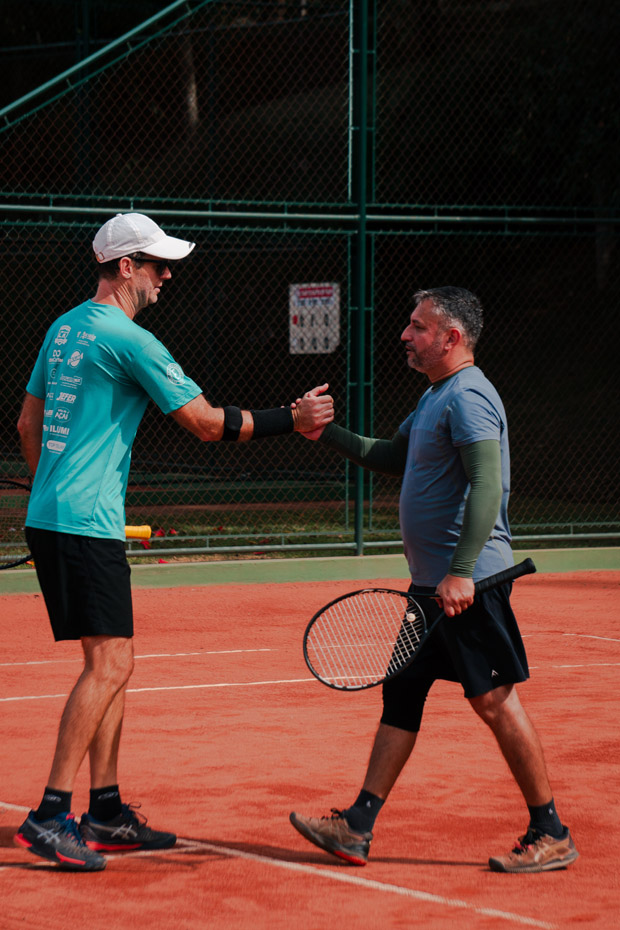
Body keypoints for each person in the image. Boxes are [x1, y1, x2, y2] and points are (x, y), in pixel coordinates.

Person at [15, 212, 333, 872]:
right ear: (125, 267)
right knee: (109, 665)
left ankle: (105, 812)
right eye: (158, 265)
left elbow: (27, 424)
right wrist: (293, 417)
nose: (166, 276)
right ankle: (50, 815)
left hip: (57, 515)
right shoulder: (130, 340)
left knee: (114, 660)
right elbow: (206, 424)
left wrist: (51, 491)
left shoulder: (63, 328)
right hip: (85, 522)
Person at [289, 286, 578, 874]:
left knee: (494, 701)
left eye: (418, 327)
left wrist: (462, 572)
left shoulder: (469, 395)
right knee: (402, 695)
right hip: (433, 587)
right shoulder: (434, 397)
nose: (405, 334)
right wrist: (326, 434)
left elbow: (489, 484)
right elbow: (391, 457)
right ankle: (357, 825)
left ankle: (551, 832)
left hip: (468, 585)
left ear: (451, 337)